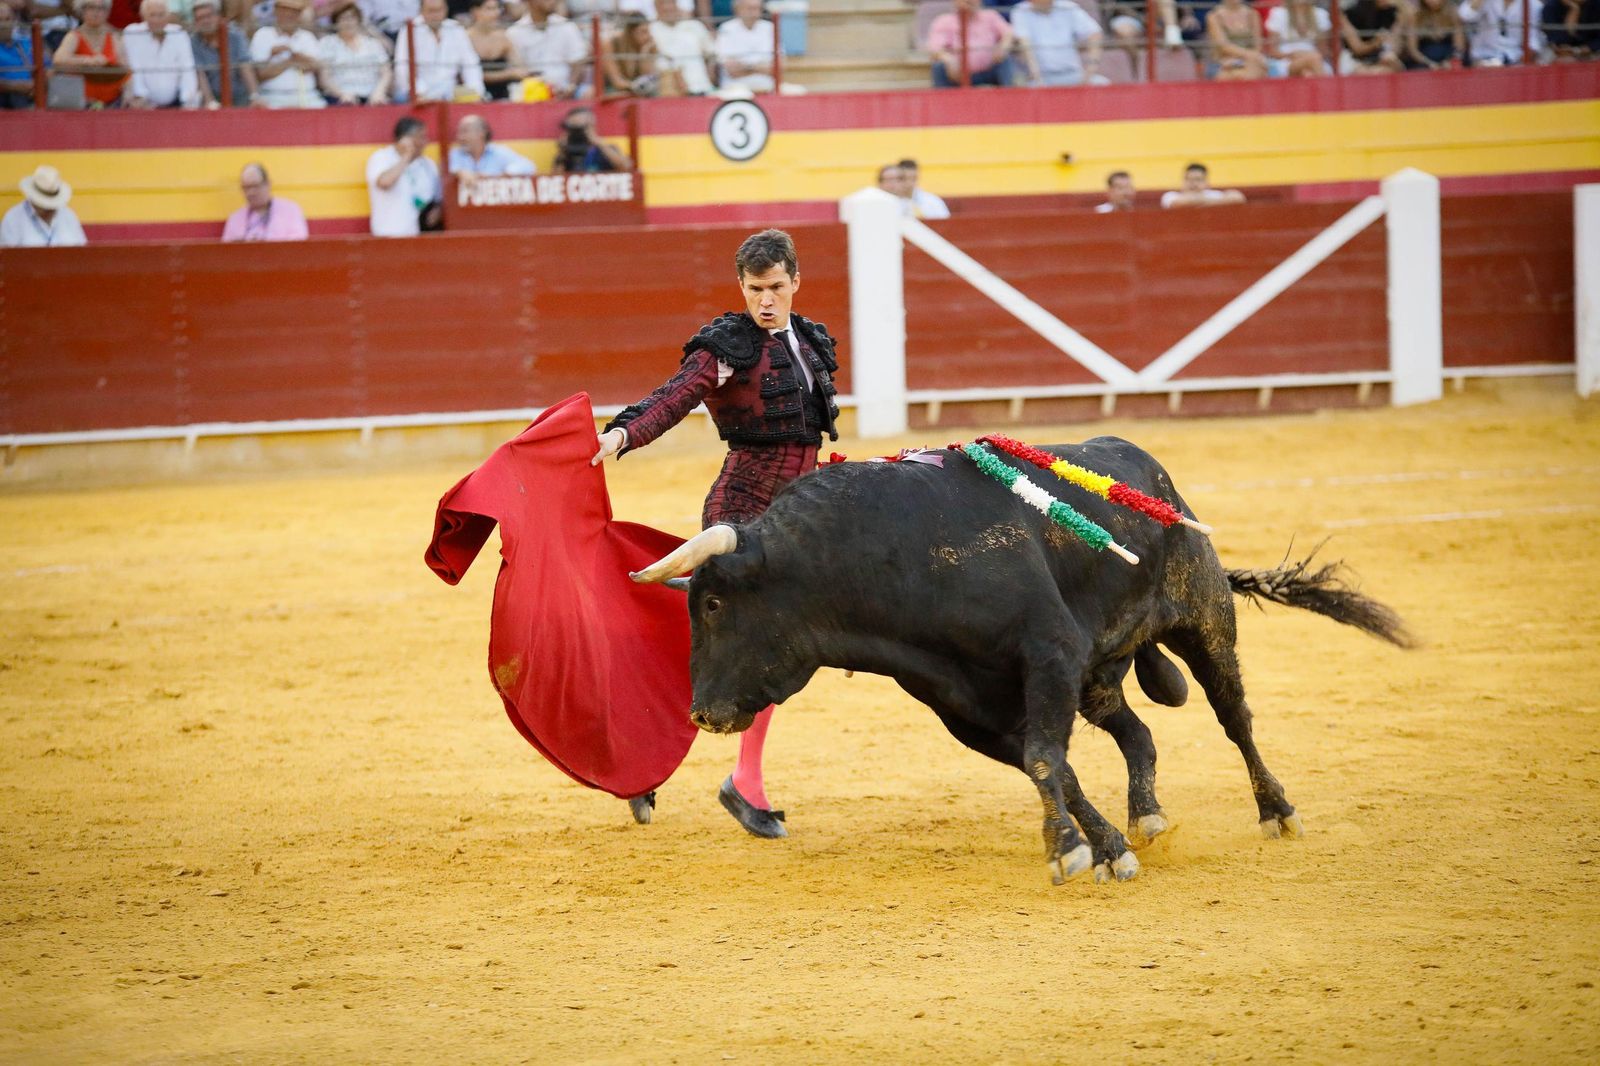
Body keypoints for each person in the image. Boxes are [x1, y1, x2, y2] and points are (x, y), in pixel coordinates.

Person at [591, 228, 842, 839]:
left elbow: (809, 434)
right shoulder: (727, 346)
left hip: (795, 515)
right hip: (739, 508)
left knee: (768, 650)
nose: (765, 301)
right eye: (755, 289)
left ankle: (735, 780)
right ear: (742, 287)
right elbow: (675, 397)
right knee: (726, 647)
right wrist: (622, 435)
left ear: (795, 284)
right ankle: (666, 765)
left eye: (776, 288)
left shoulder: (810, 341)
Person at [367, 114, 441, 237]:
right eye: (421, 137)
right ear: (406, 139)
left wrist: (438, 211)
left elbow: (438, 197)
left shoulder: (427, 164)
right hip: (388, 235)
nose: (425, 142)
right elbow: (385, 182)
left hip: (421, 236)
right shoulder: (382, 157)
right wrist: (406, 156)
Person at [395, 0, 484, 100]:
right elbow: (402, 69)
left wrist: (476, 91)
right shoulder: (409, 29)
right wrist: (420, 92)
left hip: (450, 93)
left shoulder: (455, 28)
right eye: (431, 11)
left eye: (439, 10)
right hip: (418, 93)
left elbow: (470, 63)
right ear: (421, 11)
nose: (436, 15)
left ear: (446, 10)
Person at [251, 0, 333, 108]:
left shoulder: (307, 36)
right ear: (276, 11)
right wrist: (292, 61)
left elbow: (316, 67)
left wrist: (289, 57)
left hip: (308, 96)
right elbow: (262, 73)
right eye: (284, 10)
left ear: (299, 15)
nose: (289, 14)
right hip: (272, 97)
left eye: (294, 11)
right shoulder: (262, 35)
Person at [52, 0, 132, 108]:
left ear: (107, 12)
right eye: (91, 8)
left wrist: (128, 94)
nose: (96, 12)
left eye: (101, 8)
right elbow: (58, 59)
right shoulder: (74, 36)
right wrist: (88, 60)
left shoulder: (114, 37)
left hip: (113, 100)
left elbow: (125, 68)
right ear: (82, 11)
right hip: (82, 101)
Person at [123, 0, 202, 108]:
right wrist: (141, 96)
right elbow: (134, 69)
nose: (156, 20)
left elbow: (187, 68)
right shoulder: (132, 33)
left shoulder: (179, 34)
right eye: (152, 15)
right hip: (144, 105)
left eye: (161, 15)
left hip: (177, 103)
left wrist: (187, 100)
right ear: (143, 16)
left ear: (168, 16)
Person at [1010, 0, 1103, 87]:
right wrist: (1037, 77)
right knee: (1028, 93)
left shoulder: (1068, 7)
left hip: (1073, 73)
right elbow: (1025, 46)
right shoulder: (1020, 11)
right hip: (1041, 77)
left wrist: (1091, 69)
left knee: (1102, 84)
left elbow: (1094, 33)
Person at [926, 0, 1016, 87]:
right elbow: (935, 48)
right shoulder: (944, 21)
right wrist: (949, 59)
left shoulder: (990, 16)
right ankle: (942, 101)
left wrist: (1004, 46)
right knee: (939, 67)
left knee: (1005, 60)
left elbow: (1009, 32)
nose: (969, 1)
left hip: (987, 70)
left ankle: (1010, 98)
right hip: (956, 74)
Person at [506, 0, 586, 97]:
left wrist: (571, 87)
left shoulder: (567, 26)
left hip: (567, 89)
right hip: (531, 92)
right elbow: (519, 70)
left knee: (589, 92)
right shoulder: (514, 32)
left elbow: (578, 61)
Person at [191, 0, 262, 107]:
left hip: (240, 94)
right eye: (200, 18)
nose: (206, 21)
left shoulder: (236, 36)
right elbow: (199, 74)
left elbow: (245, 66)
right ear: (195, 22)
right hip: (211, 96)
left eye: (209, 16)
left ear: (219, 16)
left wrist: (254, 96)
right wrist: (210, 102)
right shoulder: (193, 42)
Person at [319, 2, 392, 103]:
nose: (348, 23)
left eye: (352, 18)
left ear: (359, 21)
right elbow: (324, 78)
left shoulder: (372, 43)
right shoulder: (327, 43)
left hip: (372, 95)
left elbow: (386, 72)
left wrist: (379, 92)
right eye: (343, 18)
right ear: (336, 22)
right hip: (339, 97)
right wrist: (341, 94)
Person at [2, 165, 88, 248]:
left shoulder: (69, 216)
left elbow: (83, 253)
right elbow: (6, 259)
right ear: (33, 199)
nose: (50, 209)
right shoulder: (13, 219)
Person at [221, 163, 310, 242]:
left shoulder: (290, 211)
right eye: (246, 187)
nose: (251, 192)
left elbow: (298, 246)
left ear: (268, 184)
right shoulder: (235, 219)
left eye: (255, 186)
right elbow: (226, 253)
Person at [649, 0, 714, 96]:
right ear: (655, 7)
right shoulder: (650, 30)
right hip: (669, 93)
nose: (668, 7)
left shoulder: (695, 26)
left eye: (671, 3)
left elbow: (712, 55)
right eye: (662, 3)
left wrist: (710, 76)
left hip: (703, 89)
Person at [466, 0, 525, 100]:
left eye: (497, 8)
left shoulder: (503, 38)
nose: (496, 13)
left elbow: (519, 67)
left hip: (503, 97)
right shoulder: (466, 38)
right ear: (475, 11)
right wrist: (508, 74)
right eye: (489, 9)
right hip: (474, 96)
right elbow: (468, 75)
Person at [448, 113, 537, 178]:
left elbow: (529, 167)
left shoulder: (498, 152)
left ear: (481, 133)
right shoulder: (455, 154)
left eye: (464, 131)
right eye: (459, 133)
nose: (460, 137)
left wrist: (501, 176)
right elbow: (449, 171)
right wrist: (460, 173)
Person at [604, 11, 670, 95]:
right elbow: (617, 82)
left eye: (648, 31)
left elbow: (648, 76)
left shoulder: (648, 44)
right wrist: (638, 87)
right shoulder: (610, 43)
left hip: (637, 91)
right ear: (630, 32)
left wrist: (644, 54)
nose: (648, 36)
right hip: (613, 91)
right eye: (643, 32)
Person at [715, 0, 773, 93]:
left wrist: (745, 67)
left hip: (767, 89)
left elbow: (777, 67)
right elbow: (731, 70)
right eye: (750, 8)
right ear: (738, 9)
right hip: (734, 90)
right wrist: (759, 67)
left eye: (757, 8)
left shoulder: (770, 27)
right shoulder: (726, 28)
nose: (754, 13)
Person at [1458, 0, 1542, 64]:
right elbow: (1465, 16)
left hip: (1514, 59)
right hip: (1482, 57)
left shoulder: (1534, 5)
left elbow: (1534, 42)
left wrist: (1519, 65)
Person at [551, 106, 631, 172]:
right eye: (573, 127)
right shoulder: (567, 151)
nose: (577, 131)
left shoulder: (606, 149)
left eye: (581, 127)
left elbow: (626, 167)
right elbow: (556, 179)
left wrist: (599, 144)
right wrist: (562, 152)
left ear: (592, 126)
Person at [1205, 0, 1271, 79]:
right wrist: (1250, 56)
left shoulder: (1253, 14)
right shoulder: (1213, 16)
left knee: (1250, 72)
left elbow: (1257, 45)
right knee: (1233, 75)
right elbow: (1224, 47)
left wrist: (1250, 59)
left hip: (1250, 60)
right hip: (1222, 61)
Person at [1264, 0, 1330, 77]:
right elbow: (1272, 51)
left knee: (1307, 74)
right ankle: (1329, 88)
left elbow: (1323, 50)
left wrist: (1306, 55)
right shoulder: (1278, 14)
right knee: (1314, 59)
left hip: (1314, 59)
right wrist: (1292, 55)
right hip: (1286, 61)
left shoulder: (1320, 14)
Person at [1339, 0, 1404, 73]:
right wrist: (1375, 43)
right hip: (1354, 61)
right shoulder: (1351, 14)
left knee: (1394, 63)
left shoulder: (1390, 12)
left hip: (1377, 57)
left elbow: (1394, 47)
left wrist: (1399, 22)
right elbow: (1357, 49)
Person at [1399, 0, 1466, 68]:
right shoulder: (1416, 16)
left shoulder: (1453, 14)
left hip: (1449, 58)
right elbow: (1413, 49)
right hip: (1423, 60)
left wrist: (1450, 61)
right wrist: (1429, 63)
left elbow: (1459, 45)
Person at [0, 2, 38, 109]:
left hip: (30, 93)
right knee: (16, 96)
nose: (4, 24)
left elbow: (48, 68)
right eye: (0, 20)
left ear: (14, 21)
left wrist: (38, 85)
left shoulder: (25, 43)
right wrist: (14, 86)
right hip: (6, 97)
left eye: (7, 19)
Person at [1161, 161, 1246, 208]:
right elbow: (1178, 203)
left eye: (1198, 180)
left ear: (1206, 182)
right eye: (1188, 179)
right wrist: (1214, 203)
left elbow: (1238, 197)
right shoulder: (1171, 195)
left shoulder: (1213, 194)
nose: (1193, 183)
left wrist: (1201, 203)